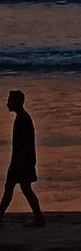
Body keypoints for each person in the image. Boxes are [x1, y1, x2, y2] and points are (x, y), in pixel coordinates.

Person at [0, 90, 45, 228]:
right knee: (23, 189)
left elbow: (26, 144)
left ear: (16, 103)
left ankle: (39, 218)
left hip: (22, 162)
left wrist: (18, 163)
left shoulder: (23, 119)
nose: (7, 103)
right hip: (23, 161)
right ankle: (39, 218)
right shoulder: (22, 118)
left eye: (10, 100)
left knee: (12, 188)